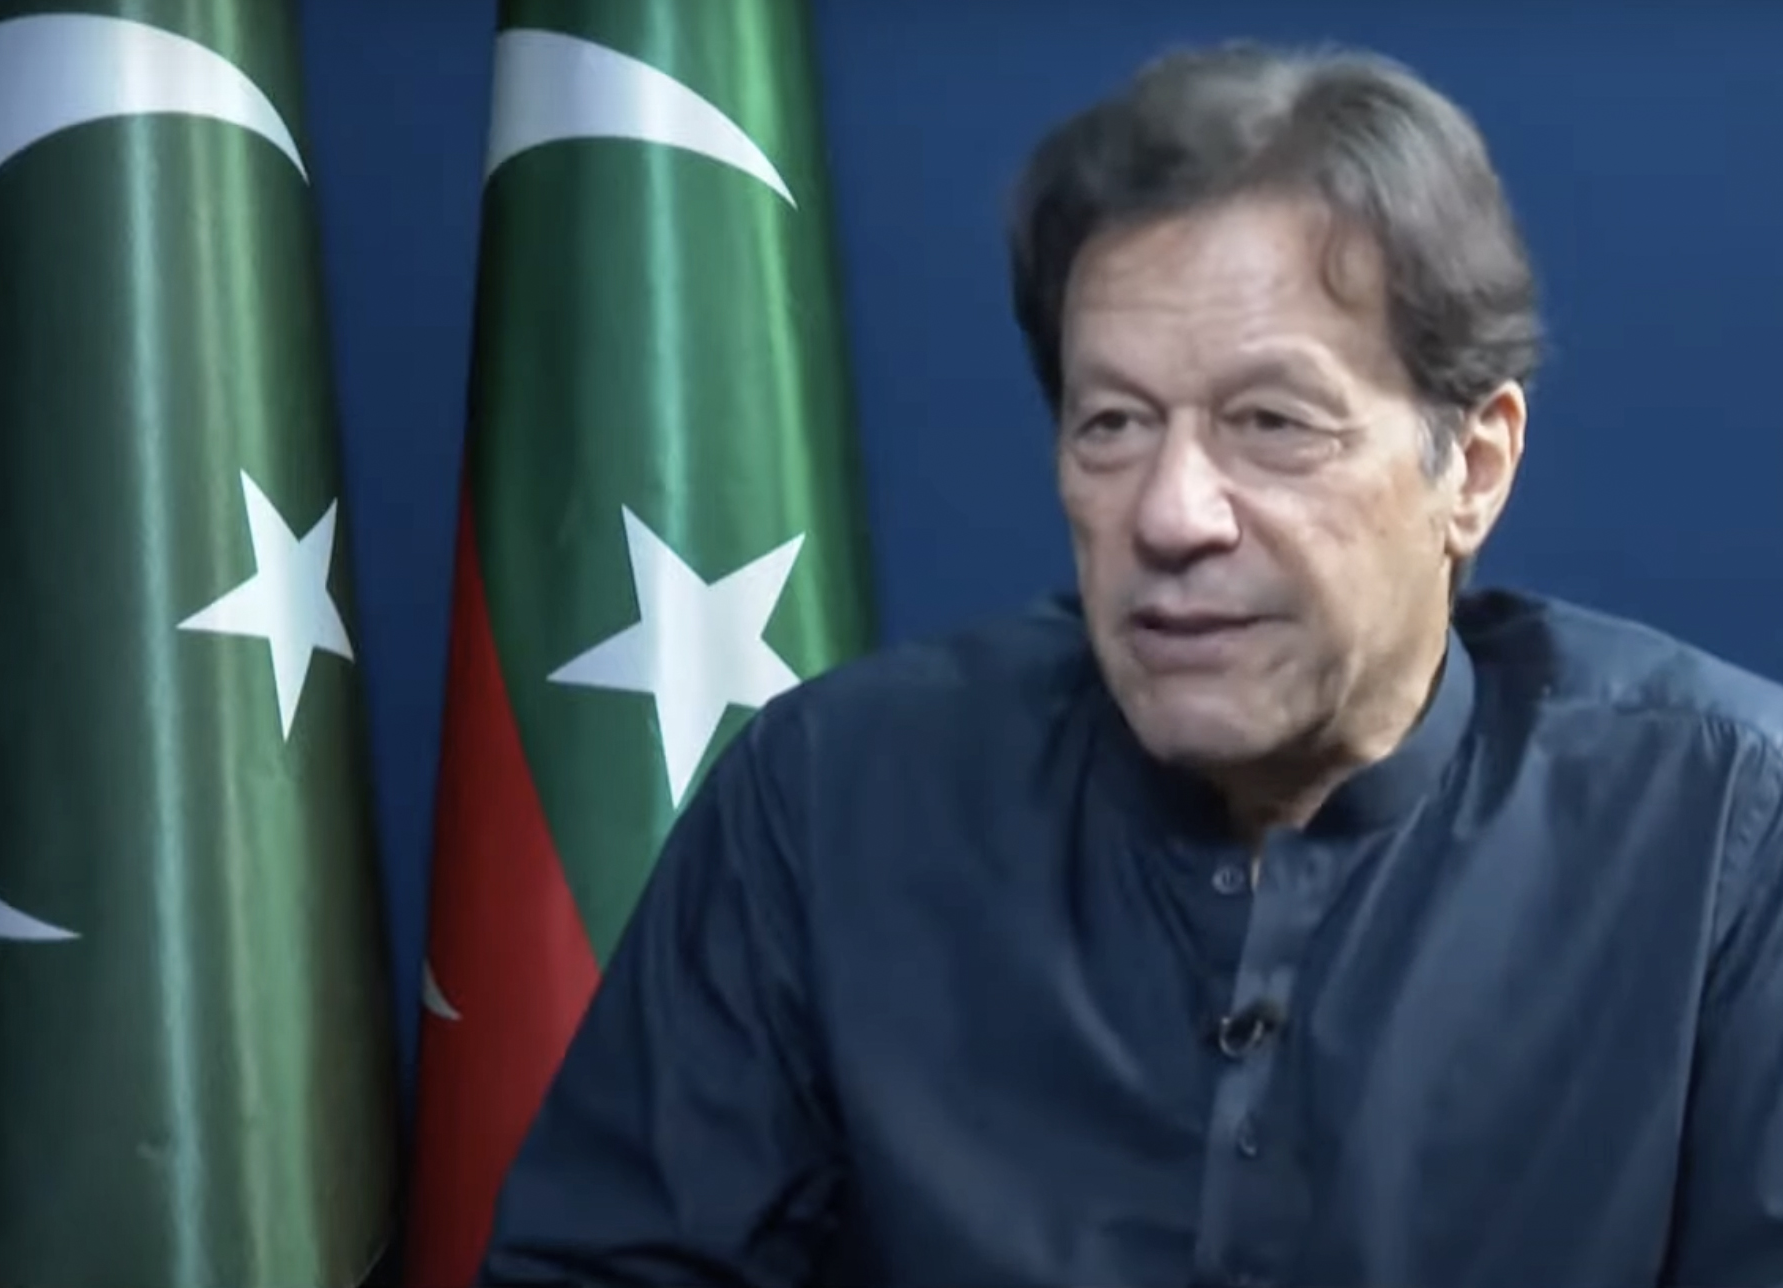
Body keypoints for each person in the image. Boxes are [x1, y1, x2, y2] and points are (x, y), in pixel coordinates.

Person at [479, 40, 1783, 1288]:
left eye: (1271, 423)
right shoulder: (830, 797)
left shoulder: (1725, 832)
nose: (1171, 514)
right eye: (1113, 423)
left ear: (1475, 469)